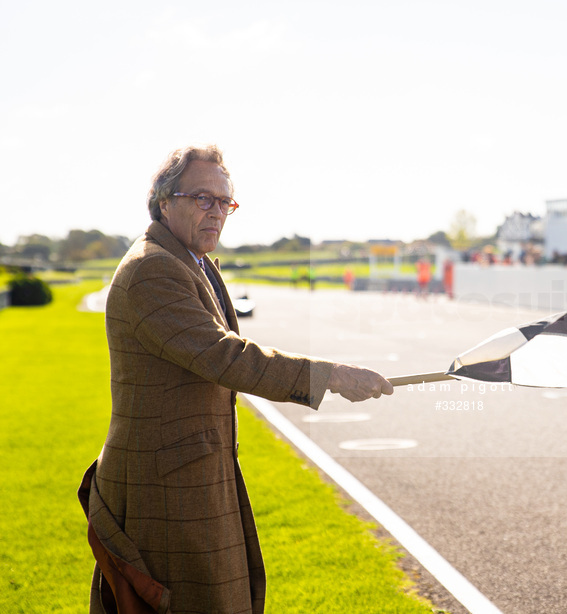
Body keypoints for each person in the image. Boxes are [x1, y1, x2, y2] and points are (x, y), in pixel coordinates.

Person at [78, 145, 393, 614]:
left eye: (225, 202)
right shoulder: (152, 269)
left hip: (196, 472)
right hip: (165, 487)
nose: (218, 212)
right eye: (203, 198)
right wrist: (331, 375)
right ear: (165, 202)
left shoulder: (192, 260)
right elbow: (225, 357)